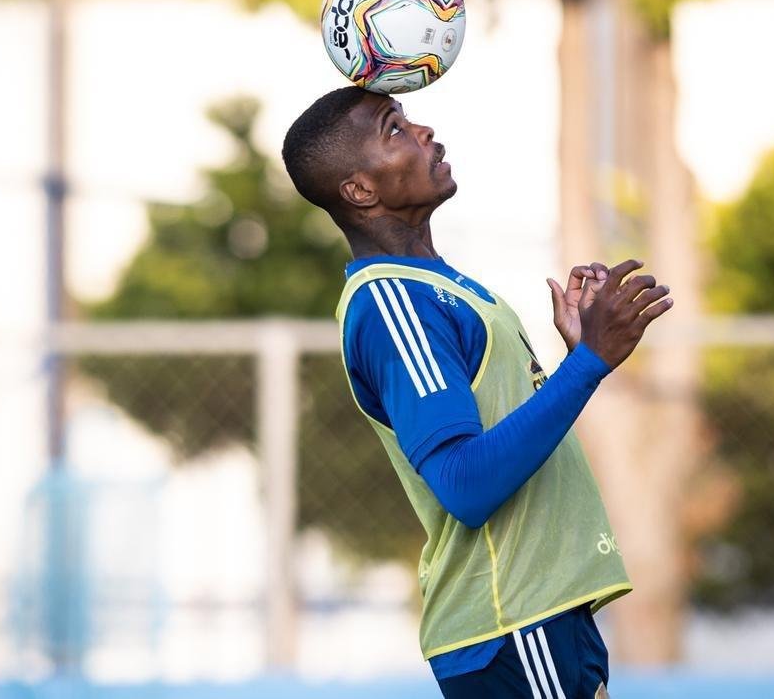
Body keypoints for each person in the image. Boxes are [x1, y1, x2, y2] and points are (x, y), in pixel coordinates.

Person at [282, 86, 673, 698]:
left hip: (540, 617)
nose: (423, 131)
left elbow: (502, 434)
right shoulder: (392, 304)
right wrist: (590, 362)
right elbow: (465, 484)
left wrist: (574, 357)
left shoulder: (435, 287)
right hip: (514, 621)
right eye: (394, 129)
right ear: (360, 190)